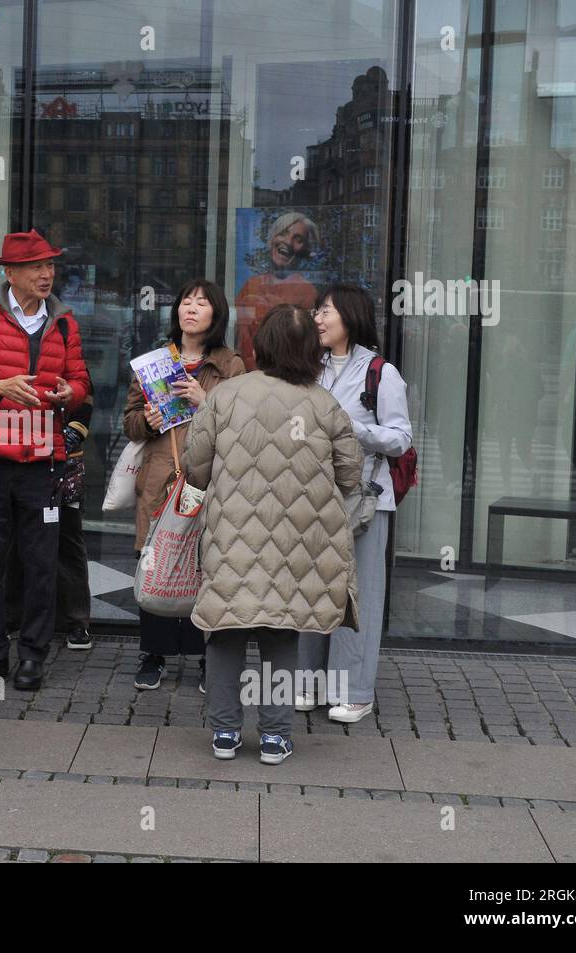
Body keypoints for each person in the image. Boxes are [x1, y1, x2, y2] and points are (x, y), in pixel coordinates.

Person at [182, 304, 360, 765]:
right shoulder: (325, 404)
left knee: (225, 632)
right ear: (309, 352)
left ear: (260, 346)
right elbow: (350, 473)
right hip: (297, 545)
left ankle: (224, 732)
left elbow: (196, 464)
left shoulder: (226, 395)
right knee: (282, 634)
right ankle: (276, 736)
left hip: (231, 537)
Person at [0, 229, 92, 691]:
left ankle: (33, 655)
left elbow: (81, 384)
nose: (46, 274)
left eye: (51, 265)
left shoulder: (65, 322)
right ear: (10, 272)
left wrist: (68, 393)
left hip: (43, 460)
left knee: (41, 562)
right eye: (36, 266)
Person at [296, 284, 412, 723]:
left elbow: (401, 439)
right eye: (317, 312)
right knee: (311, 589)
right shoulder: (311, 367)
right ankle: (306, 683)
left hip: (365, 501)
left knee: (359, 594)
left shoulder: (381, 373)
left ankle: (355, 691)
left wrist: (353, 430)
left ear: (351, 316)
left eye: (326, 311)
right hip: (313, 496)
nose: (319, 319)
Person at [122, 279, 245, 691]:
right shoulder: (155, 362)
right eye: (185, 301)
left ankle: (206, 656)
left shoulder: (230, 365)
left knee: (205, 565)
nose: (190, 308)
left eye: (201, 303)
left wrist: (205, 400)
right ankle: (153, 653)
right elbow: (130, 423)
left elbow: (244, 425)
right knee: (157, 559)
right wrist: (147, 422)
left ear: (216, 314)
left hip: (207, 479)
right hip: (161, 478)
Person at [3, 399, 94, 650]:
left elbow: (83, 401)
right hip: (14, 457)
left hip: (63, 461)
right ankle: (10, 616)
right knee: (12, 543)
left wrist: (63, 438)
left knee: (67, 543)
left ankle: (76, 620)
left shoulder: (71, 361)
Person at [234, 211, 320, 370]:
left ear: (304, 250)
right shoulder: (251, 285)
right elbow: (241, 340)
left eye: (298, 239)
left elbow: (306, 346)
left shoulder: (307, 292)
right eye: (283, 233)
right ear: (272, 238)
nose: (288, 242)